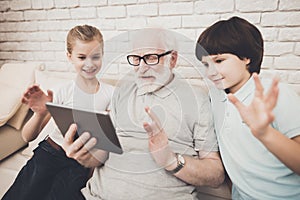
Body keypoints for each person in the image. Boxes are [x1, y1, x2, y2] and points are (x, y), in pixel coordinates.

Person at [61, 28, 225, 200]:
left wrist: (170, 160)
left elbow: (216, 175)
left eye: (151, 58)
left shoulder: (197, 99)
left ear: (173, 59)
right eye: (136, 59)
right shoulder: (123, 90)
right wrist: (85, 157)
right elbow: (101, 157)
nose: (141, 68)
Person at [3, 25, 114, 200]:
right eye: (82, 57)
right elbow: (27, 137)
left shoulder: (111, 94)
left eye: (96, 57)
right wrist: (39, 113)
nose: (89, 64)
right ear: (69, 57)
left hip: (80, 163)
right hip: (50, 153)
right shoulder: (62, 90)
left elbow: (108, 142)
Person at [195, 16, 300, 200]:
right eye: (206, 64)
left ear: (246, 58)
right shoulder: (215, 96)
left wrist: (265, 133)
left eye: (219, 61)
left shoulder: (275, 94)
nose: (211, 72)